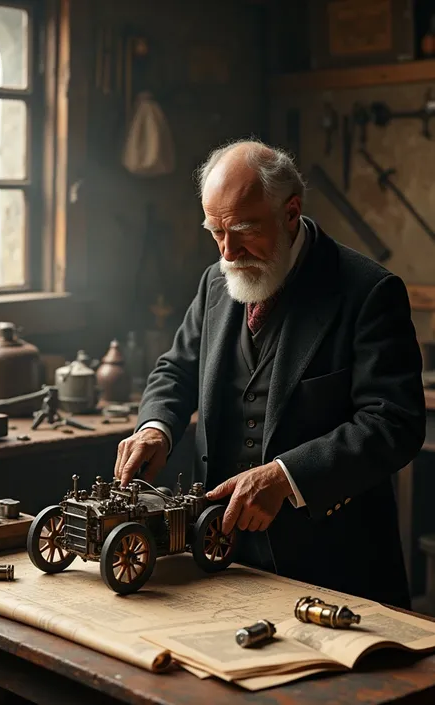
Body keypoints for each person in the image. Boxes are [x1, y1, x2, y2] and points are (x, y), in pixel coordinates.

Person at [115, 139, 426, 608]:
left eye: (242, 230)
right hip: (219, 558)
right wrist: (156, 428)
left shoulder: (370, 292)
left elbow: (394, 424)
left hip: (333, 567)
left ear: (290, 211)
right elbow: (176, 369)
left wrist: (285, 475)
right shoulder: (214, 280)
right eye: (215, 232)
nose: (228, 251)